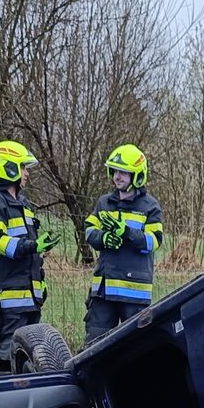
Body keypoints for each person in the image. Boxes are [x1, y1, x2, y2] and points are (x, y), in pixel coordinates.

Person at [0, 140, 59, 362]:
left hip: (30, 300)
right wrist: (33, 246)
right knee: (5, 363)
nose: (27, 174)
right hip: (10, 306)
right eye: (23, 167)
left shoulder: (23, 203)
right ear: (8, 167)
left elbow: (31, 253)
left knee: (31, 362)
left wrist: (39, 281)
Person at [83, 144, 163, 345]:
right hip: (103, 291)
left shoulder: (150, 207)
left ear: (137, 176)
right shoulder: (104, 203)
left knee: (135, 347)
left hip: (133, 293)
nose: (117, 177)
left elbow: (154, 241)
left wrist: (127, 233)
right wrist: (103, 238)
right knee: (95, 343)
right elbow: (89, 230)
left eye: (124, 173)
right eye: (115, 171)